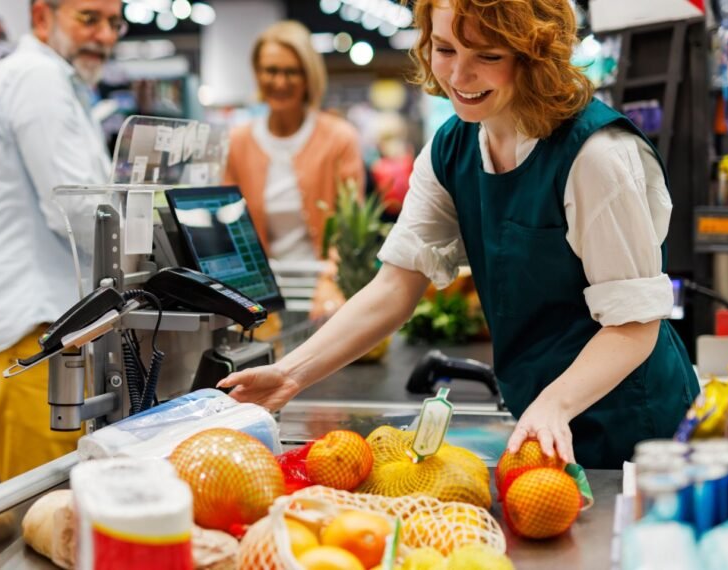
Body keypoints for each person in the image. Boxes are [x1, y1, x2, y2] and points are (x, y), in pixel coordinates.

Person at [219, 0, 700, 469]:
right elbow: (394, 286)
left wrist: (555, 403)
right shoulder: (452, 148)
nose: (458, 76)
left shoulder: (596, 156)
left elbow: (634, 326)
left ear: (535, 55)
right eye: (445, 49)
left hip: (635, 425)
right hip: (543, 417)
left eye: (488, 56)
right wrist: (290, 374)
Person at [0, 0, 124, 481]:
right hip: (31, 337)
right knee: (49, 515)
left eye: (114, 23)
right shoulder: (37, 78)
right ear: (42, 17)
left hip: (47, 333)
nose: (105, 36)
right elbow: (76, 210)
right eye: (89, 18)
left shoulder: (61, 85)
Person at [223, 21, 365, 263]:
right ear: (257, 73)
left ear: (308, 76)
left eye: (291, 72)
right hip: (260, 285)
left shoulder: (339, 138)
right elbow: (228, 220)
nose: (280, 82)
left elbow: (351, 226)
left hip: (326, 279)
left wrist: (331, 280)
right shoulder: (238, 141)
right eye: (270, 70)